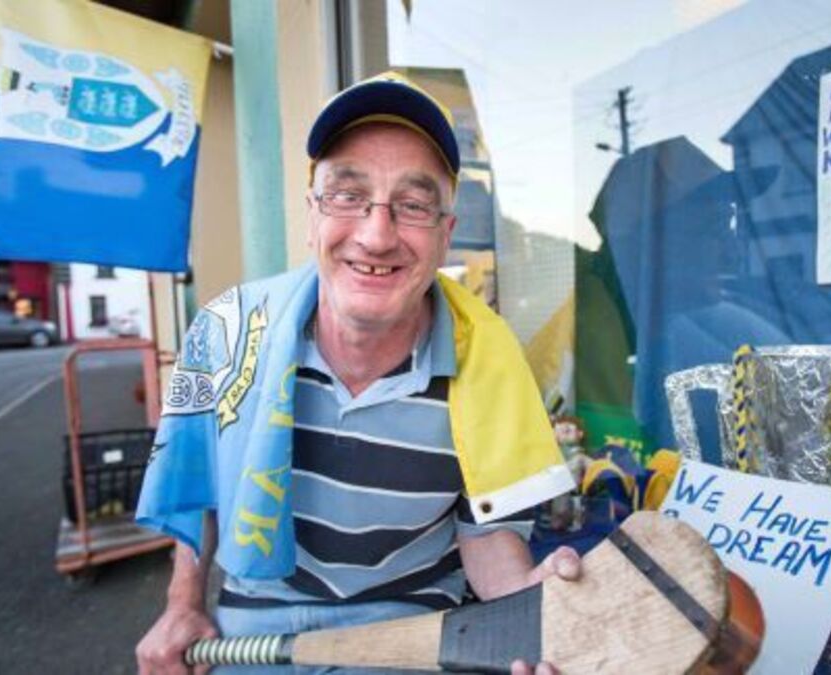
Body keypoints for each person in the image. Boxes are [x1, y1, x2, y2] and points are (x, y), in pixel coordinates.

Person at [135, 72, 580, 675]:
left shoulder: (491, 361)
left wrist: (529, 608)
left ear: (445, 234)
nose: (376, 236)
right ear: (312, 215)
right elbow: (195, 487)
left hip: (410, 630)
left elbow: (486, 535)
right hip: (253, 625)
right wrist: (181, 606)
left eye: (413, 206)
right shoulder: (226, 329)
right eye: (347, 196)